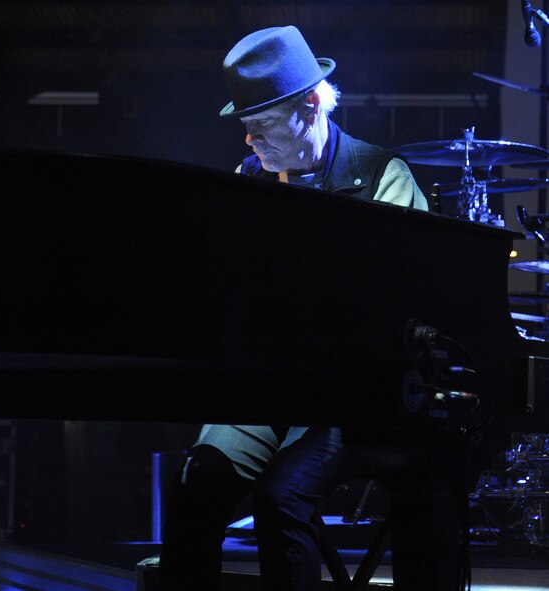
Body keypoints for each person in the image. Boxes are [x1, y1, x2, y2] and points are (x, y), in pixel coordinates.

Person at [156, 25, 471, 591]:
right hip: (266, 390)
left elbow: (406, 307)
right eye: (246, 130)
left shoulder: (382, 176)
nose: (250, 143)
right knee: (193, 487)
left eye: (261, 128)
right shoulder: (247, 182)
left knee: (284, 497)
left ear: (308, 106)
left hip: (348, 399)